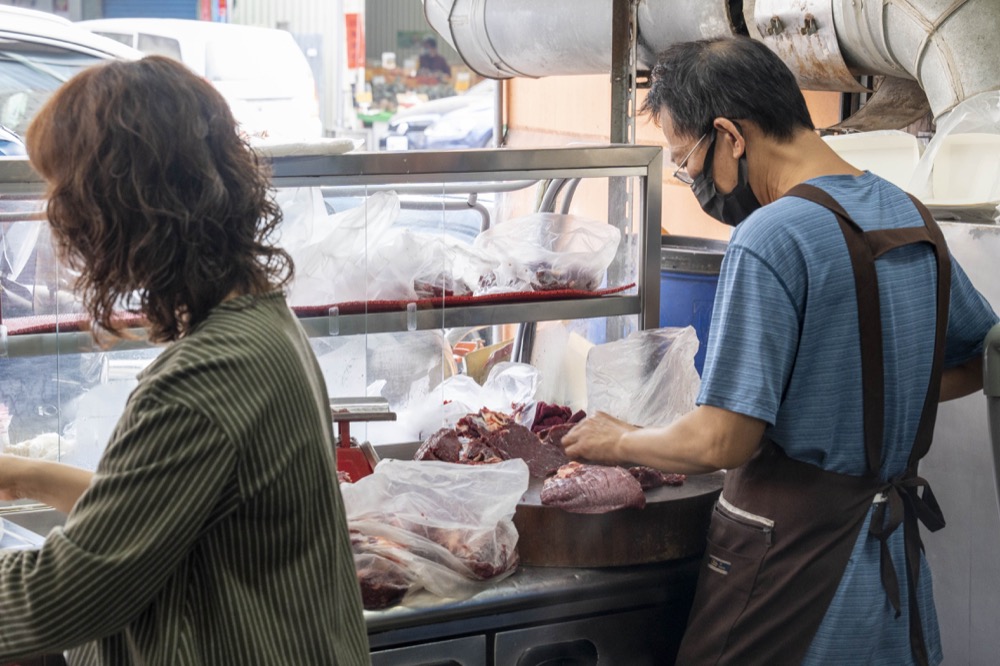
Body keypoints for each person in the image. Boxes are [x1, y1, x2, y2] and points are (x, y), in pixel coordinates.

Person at [562, 37, 998, 666]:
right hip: (887, 566)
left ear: (730, 136)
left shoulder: (771, 237)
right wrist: (864, 400)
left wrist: (618, 441)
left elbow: (723, 442)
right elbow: (980, 357)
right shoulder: (907, 214)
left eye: (687, 164)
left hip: (795, 567)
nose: (695, 185)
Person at [0, 56, 370, 664]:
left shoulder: (206, 379)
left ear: (118, 212)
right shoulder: (261, 322)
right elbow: (154, 515)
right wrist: (23, 476)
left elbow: (65, 594)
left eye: (63, 195)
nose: (56, 219)